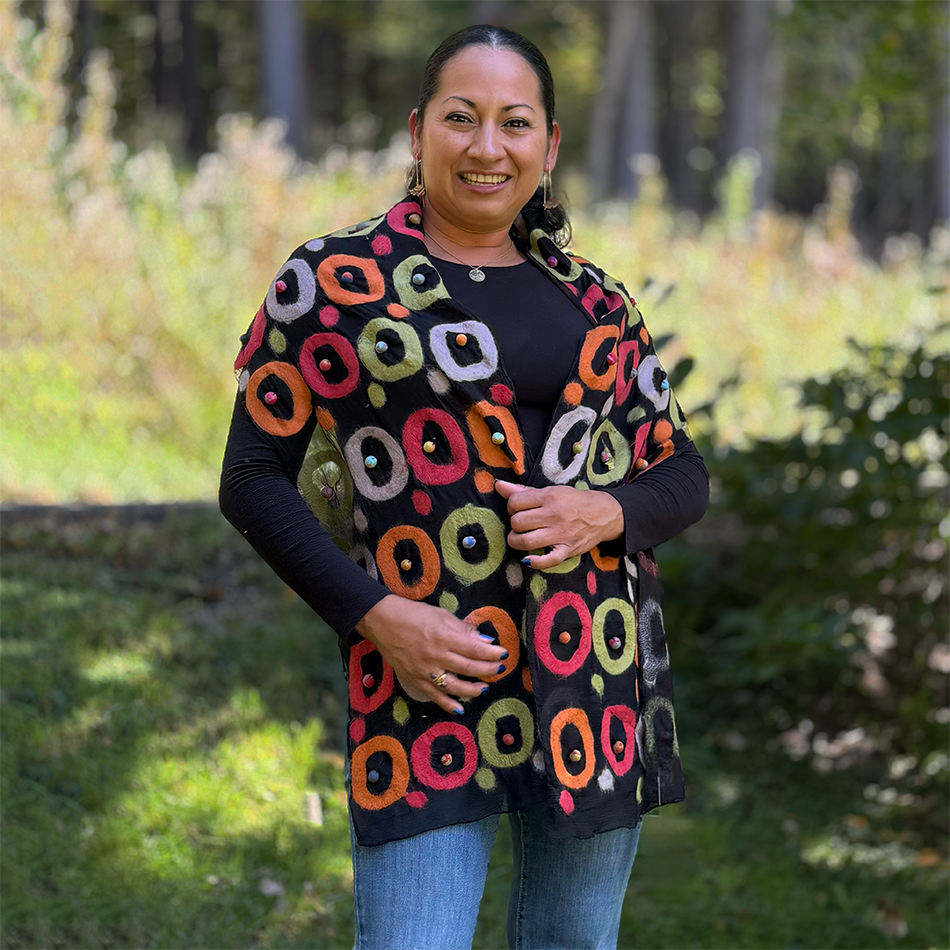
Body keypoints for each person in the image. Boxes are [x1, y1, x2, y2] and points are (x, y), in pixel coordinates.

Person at [220, 24, 708, 950]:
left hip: (593, 683)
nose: (488, 147)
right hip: (425, 681)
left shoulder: (598, 303)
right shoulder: (334, 282)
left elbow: (682, 472)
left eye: (515, 122)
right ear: (418, 132)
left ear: (549, 145)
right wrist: (373, 615)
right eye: (461, 118)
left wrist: (606, 510)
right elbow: (250, 478)